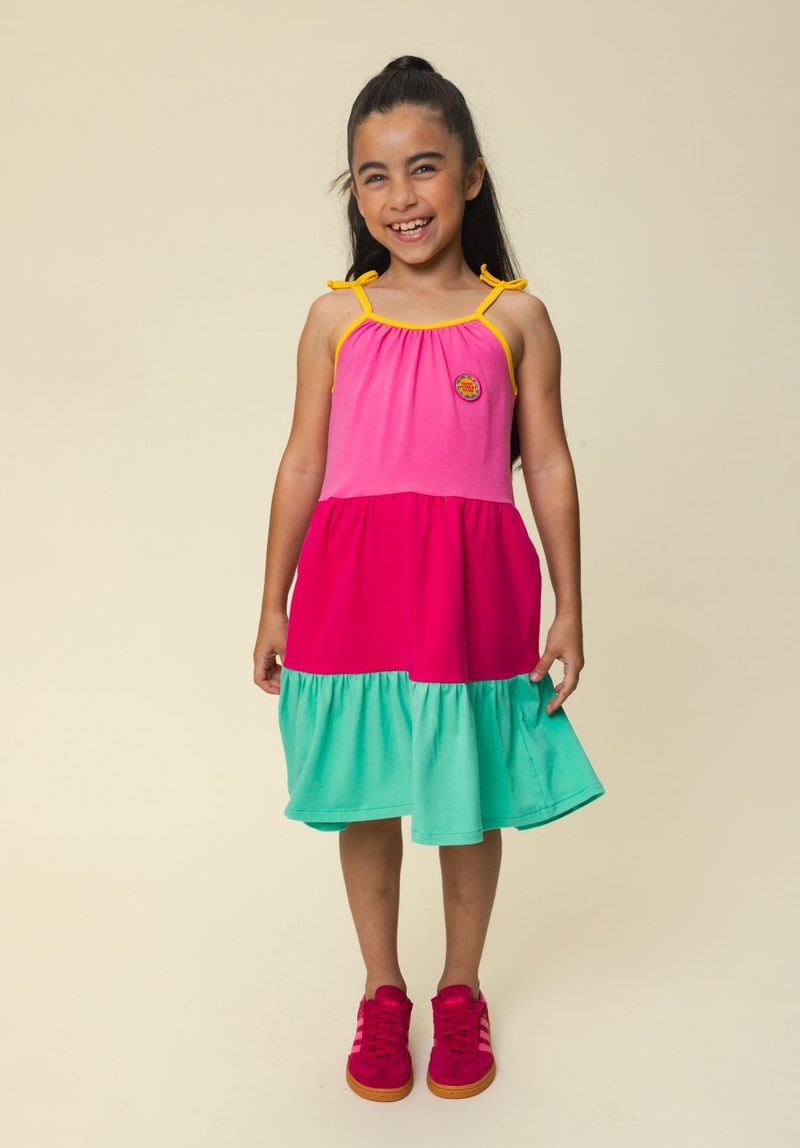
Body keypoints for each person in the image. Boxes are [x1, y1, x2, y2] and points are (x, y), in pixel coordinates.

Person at [253, 55, 606, 1103]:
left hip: (469, 588)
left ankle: (460, 989)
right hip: (352, 586)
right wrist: (272, 598)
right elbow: (302, 462)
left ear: (471, 177)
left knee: (465, 789)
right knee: (366, 790)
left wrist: (569, 606)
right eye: (374, 175)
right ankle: (381, 988)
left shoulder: (515, 319)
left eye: (423, 168)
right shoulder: (335, 319)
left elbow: (548, 464)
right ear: (353, 192)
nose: (400, 197)